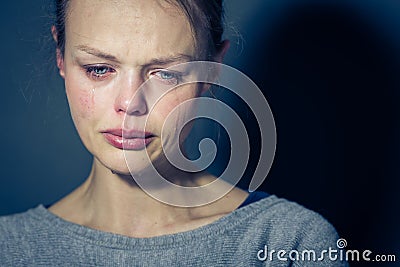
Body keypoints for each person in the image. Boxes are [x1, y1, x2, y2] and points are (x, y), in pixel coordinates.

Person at [0, 0, 348, 266]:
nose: (130, 103)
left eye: (166, 74)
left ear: (214, 69)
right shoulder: (10, 248)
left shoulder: (290, 245)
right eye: (99, 69)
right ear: (61, 56)